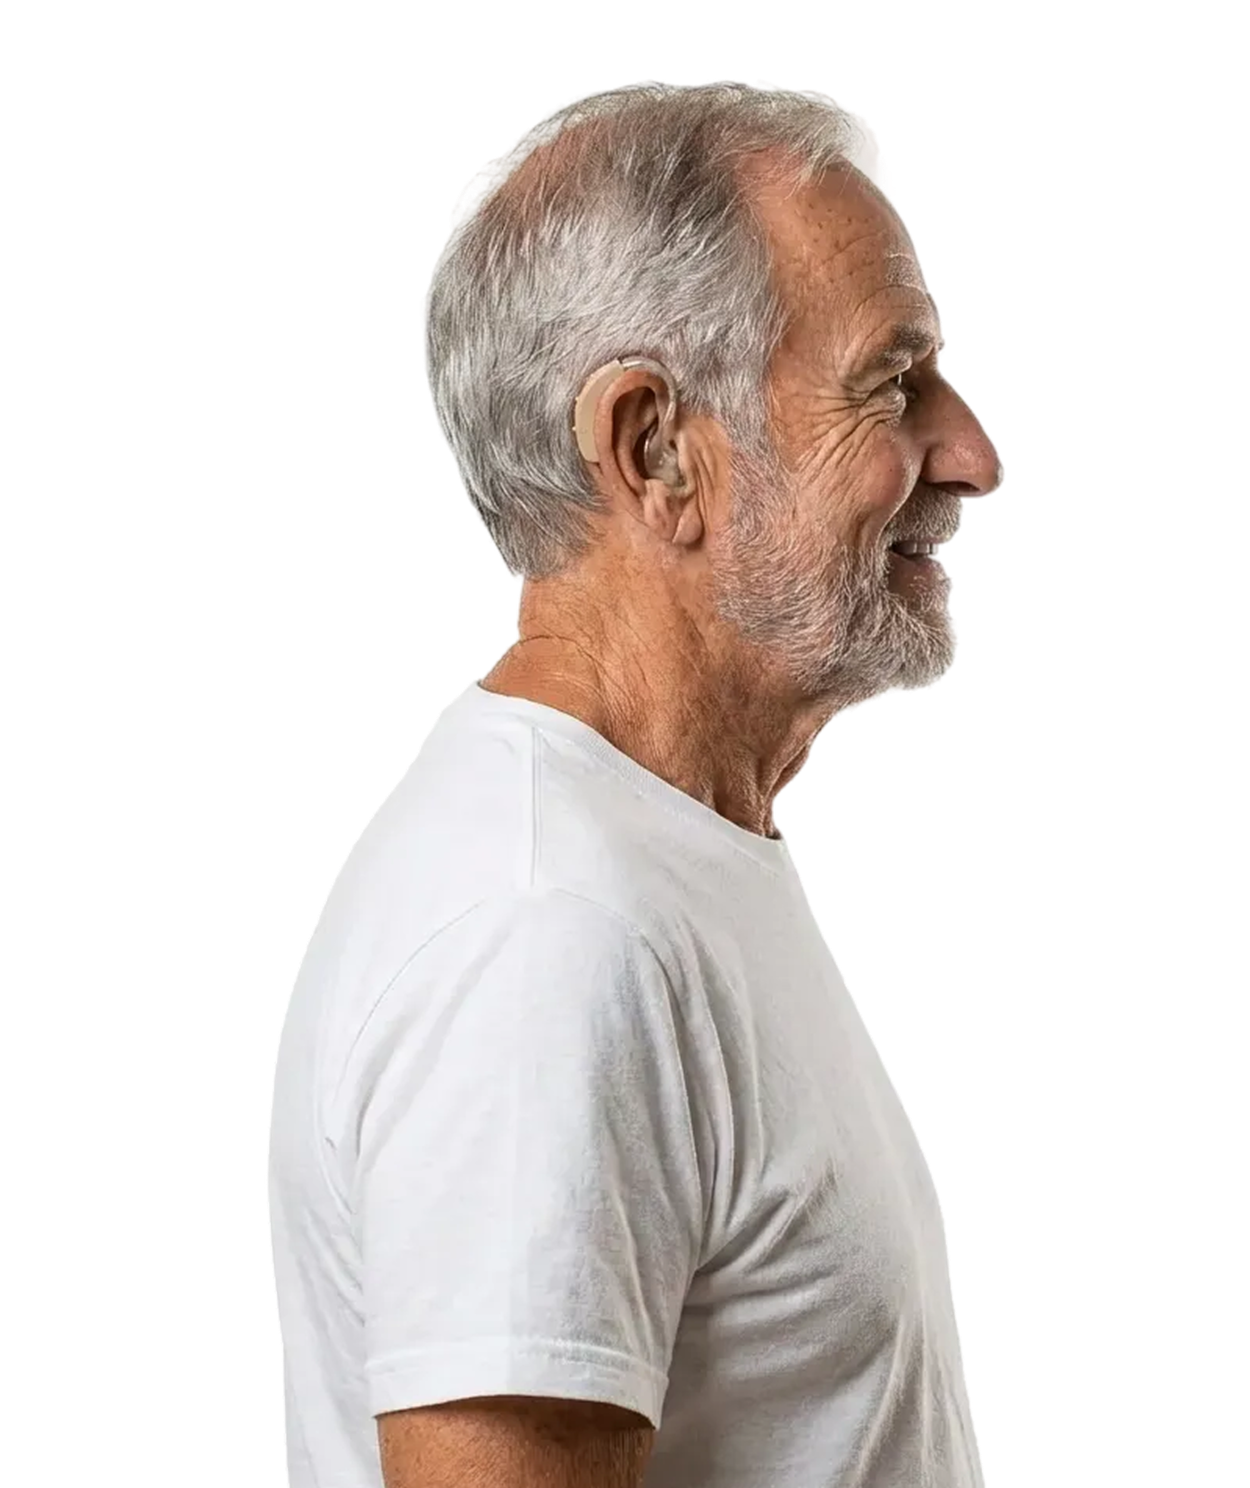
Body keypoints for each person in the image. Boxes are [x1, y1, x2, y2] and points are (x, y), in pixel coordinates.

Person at [268, 79, 1003, 1488]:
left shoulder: (663, 847)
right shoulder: (546, 929)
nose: (973, 454)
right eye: (891, 380)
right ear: (655, 448)